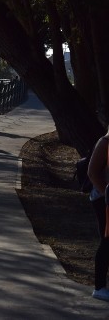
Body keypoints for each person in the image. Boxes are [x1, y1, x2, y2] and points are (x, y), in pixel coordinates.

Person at [88, 128, 109, 301]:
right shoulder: (104, 142)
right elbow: (92, 173)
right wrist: (106, 195)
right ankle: (99, 287)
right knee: (107, 239)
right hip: (102, 199)